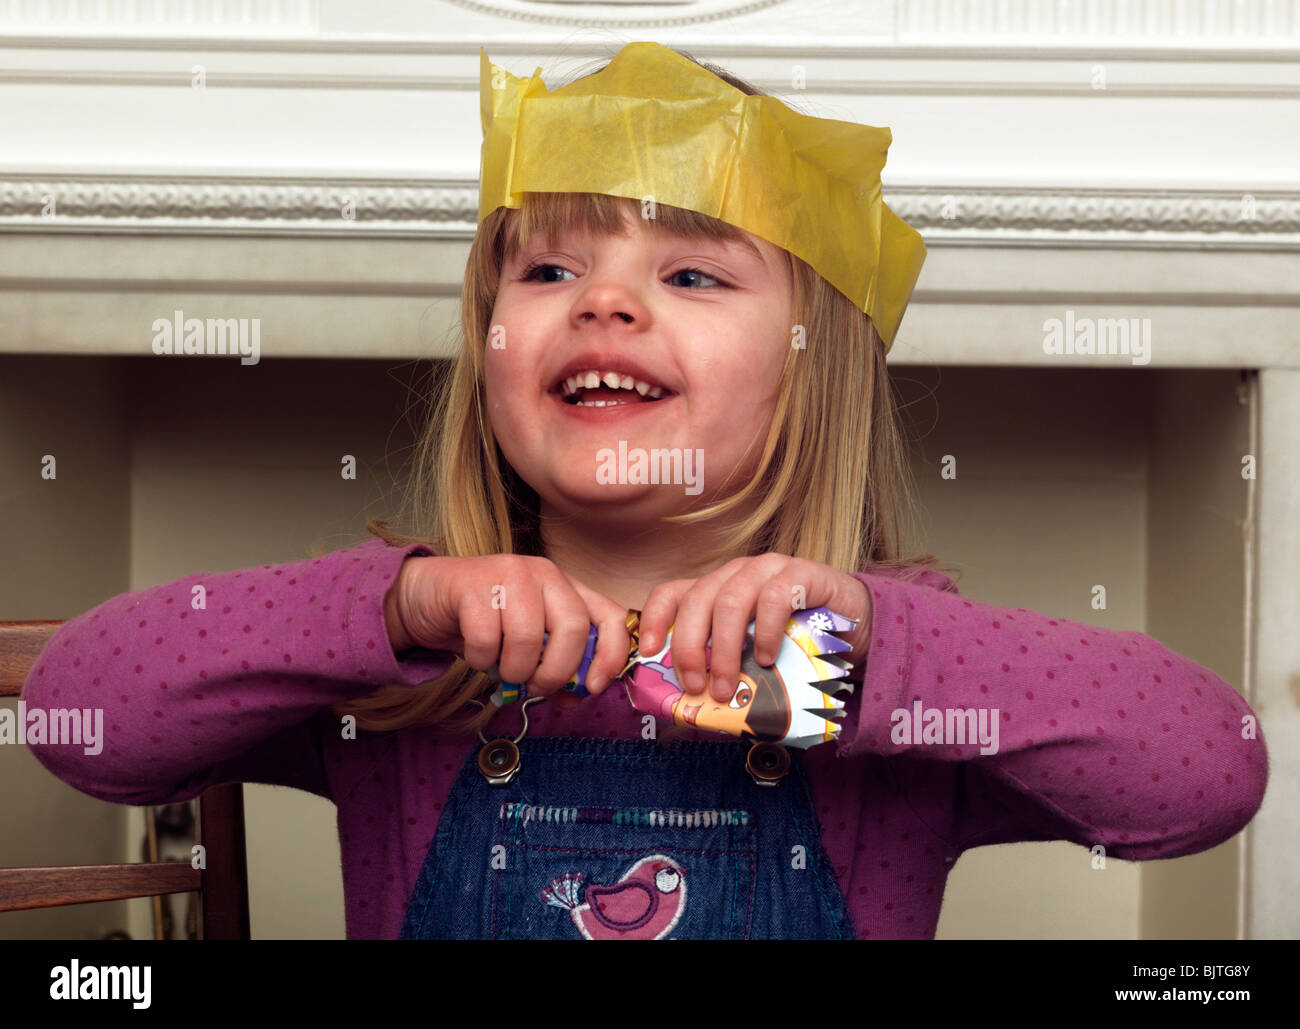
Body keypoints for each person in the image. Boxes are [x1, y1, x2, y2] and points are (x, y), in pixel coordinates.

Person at [21, 42, 1268, 940]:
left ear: (808, 369)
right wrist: (396, 608)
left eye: (693, 276)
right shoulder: (404, 670)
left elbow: (1210, 770)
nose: (604, 302)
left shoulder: (881, 678)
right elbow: (78, 718)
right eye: (552, 265)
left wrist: (885, 647)